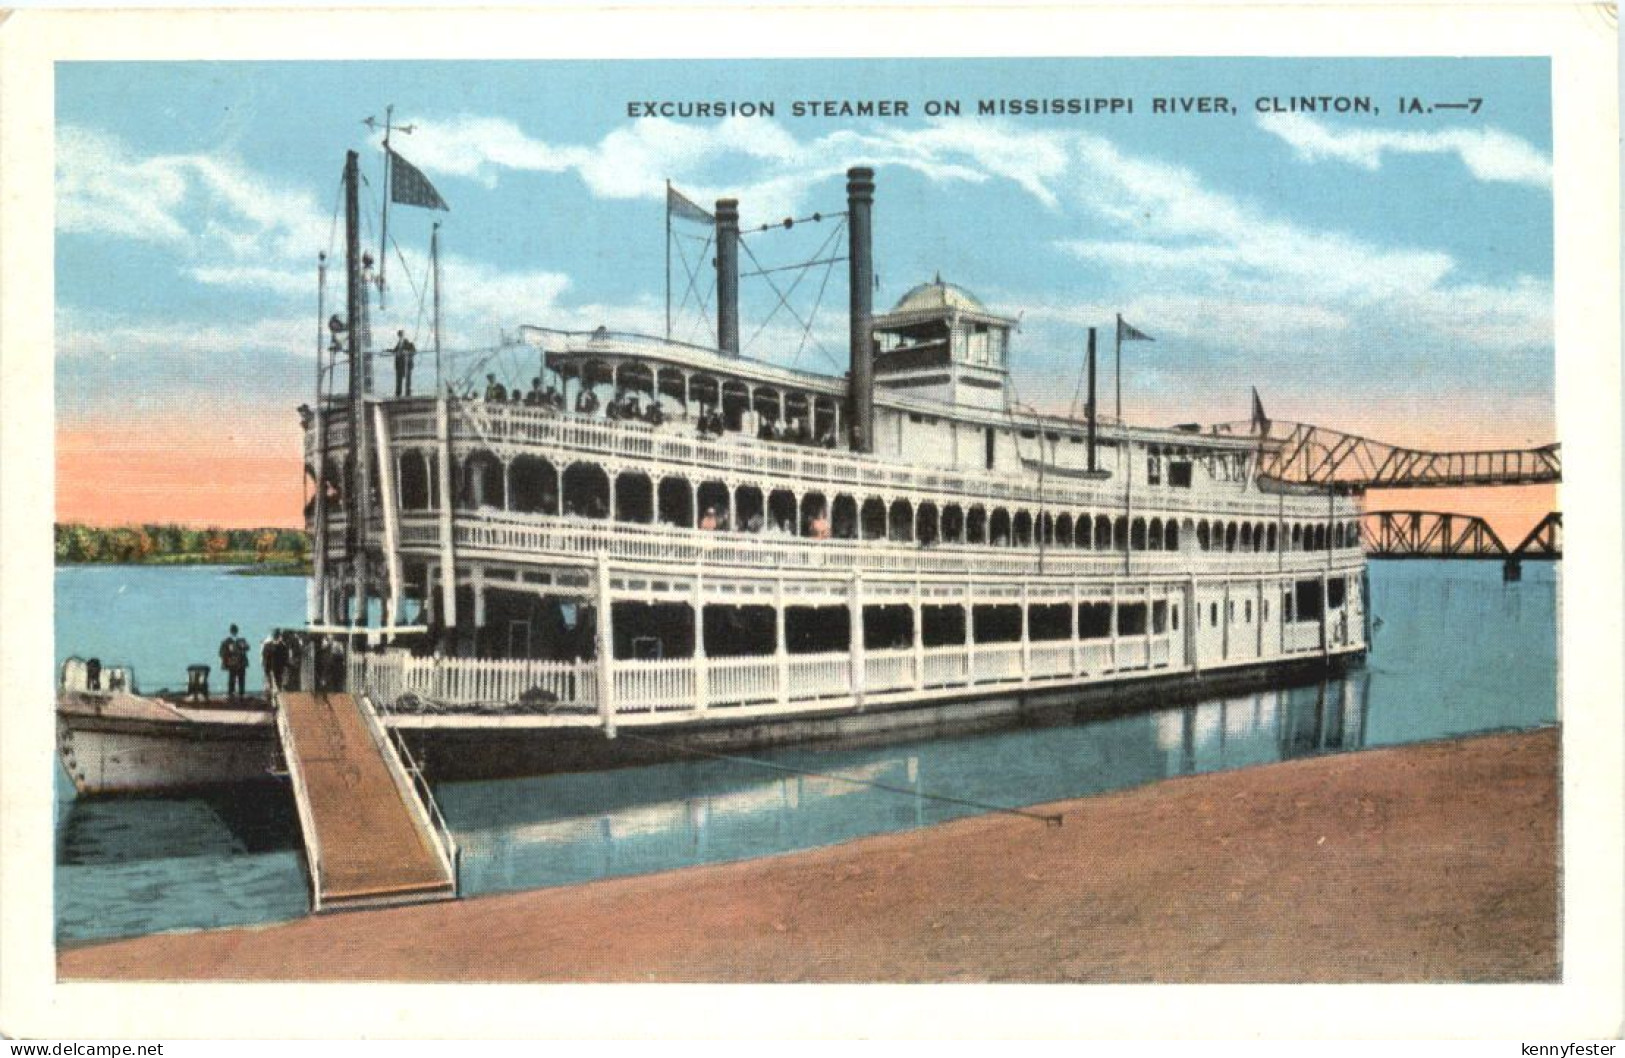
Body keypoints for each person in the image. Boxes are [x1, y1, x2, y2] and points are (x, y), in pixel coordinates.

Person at [219, 623, 249, 702]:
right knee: (232, 679)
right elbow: (221, 653)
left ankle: (240, 694)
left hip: (240, 663)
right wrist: (228, 656)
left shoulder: (241, 640)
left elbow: (247, 647)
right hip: (232, 663)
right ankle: (231, 694)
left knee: (240, 679)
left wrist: (242, 647)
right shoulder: (227, 641)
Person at [392, 330, 416, 397]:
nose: (400, 337)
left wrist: (406, 352)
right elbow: (394, 350)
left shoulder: (409, 343)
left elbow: (413, 351)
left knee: (408, 380)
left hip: (407, 365)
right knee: (399, 380)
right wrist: (386, 351)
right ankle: (398, 394)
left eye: (401, 335)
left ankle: (408, 394)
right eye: (399, 336)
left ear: (403, 336)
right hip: (399, 365)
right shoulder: (399, 344)